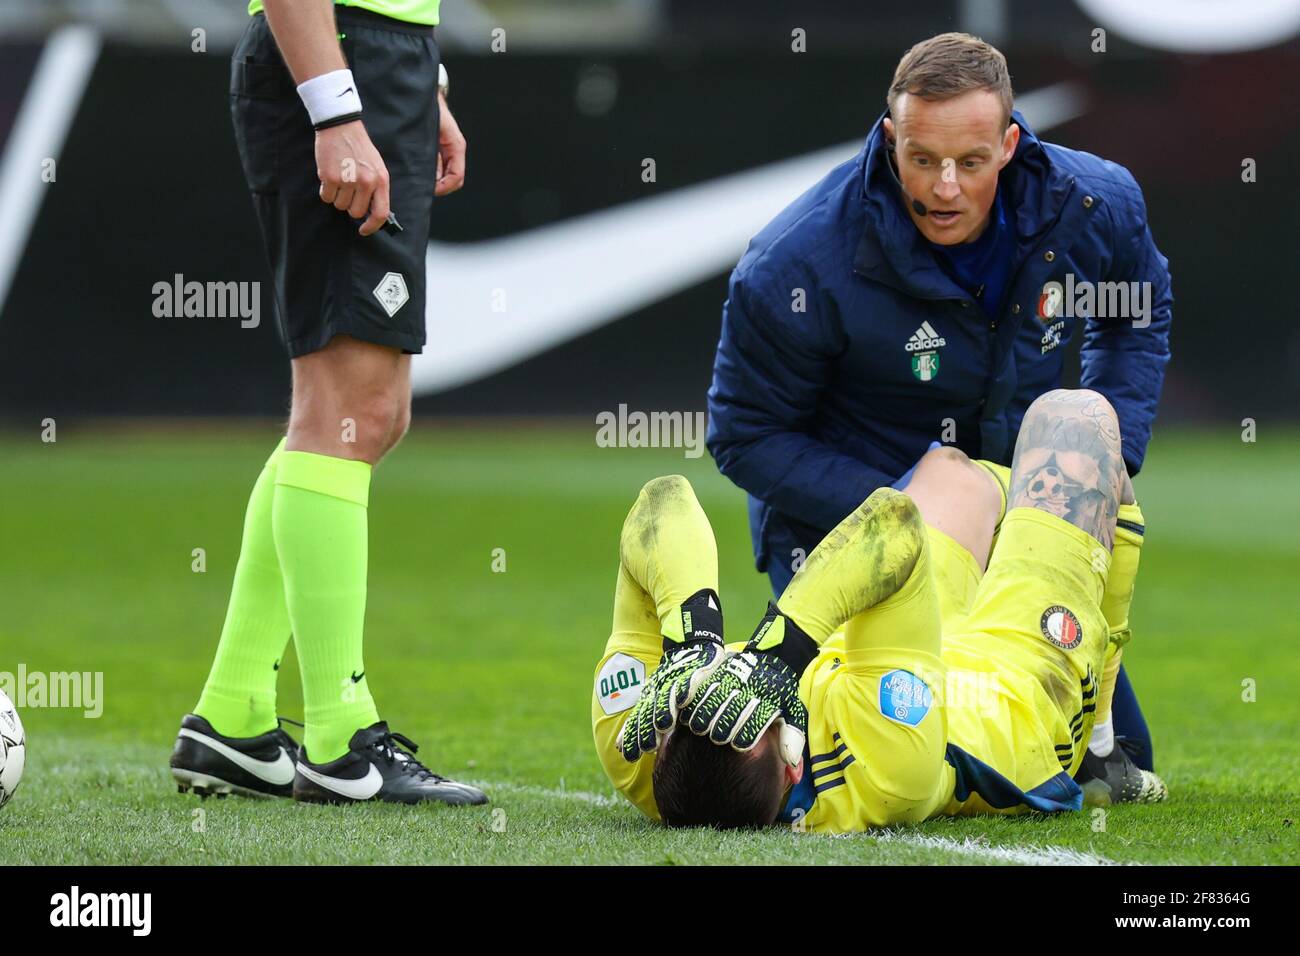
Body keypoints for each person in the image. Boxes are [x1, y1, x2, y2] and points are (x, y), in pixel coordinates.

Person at [706, 32, 1172, 783]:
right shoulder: (795, 262)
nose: (944, 187)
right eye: (921, 159)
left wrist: (1102, 464)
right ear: (891, 138)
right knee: (909, 752)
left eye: (970, 162)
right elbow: (746, 435)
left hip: (1015, 525)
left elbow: (1140, 310)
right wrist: (914, 516)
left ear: (1010, 145)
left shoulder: (1092, 205)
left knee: (1111, 770)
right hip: (846, 536)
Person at [168, 0, 485, 805]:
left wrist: (427, 81)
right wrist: (339, 105)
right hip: (340, 55)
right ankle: (344, 742)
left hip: (380, 61)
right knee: (349, 409)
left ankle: (233, 718)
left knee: (364, 413)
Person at [594, 389, 1166, 831]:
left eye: (701, 691)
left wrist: (691, 639)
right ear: (794, 762)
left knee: (949, 471)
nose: (720, 686)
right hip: (1008, 696)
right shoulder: (889, 769)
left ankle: (1033, 537)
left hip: (886, 645)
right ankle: (1097, 749)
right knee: (1072, 423)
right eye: (744, 706)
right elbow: (894, 524)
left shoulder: (636, 750)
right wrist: (777, 657)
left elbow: (660, 502)